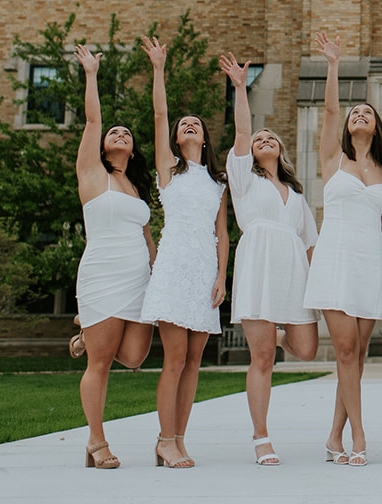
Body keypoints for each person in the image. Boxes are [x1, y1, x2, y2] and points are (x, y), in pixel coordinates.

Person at [222, 52, 320, 467]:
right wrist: (241, 88)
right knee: (261, 358)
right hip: (259, 264)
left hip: (294, 271)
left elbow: (311, 244)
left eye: (270, 139)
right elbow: (243, 131)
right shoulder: (244, 181)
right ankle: (261, 436)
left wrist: (321, 286)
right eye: (259, 139)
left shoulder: (297, 195)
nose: (263, 141)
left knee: (307, 348)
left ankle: (275, 334)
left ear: (280, 150)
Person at [302, 31, 382, 466]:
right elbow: (331, 109)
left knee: (356, 354)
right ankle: (358, 435)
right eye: (355, 112)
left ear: (376, 126)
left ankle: (334, 436)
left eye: (367, 113)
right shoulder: (331, 158)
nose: (358, 116)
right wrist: (334, 65)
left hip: (370, 262)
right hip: (335, 255)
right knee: (344, 350)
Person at [138, 35, 230, 469]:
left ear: (205, 137)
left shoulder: (218, 181)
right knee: (174, 357)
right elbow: (159, 113)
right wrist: (159, 68)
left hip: (204, 272)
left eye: (196, 123)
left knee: (195, 359)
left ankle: (180, 438)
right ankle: (164, 438)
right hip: (175, 268)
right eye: (183, 124)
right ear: (175, 139)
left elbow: (223, 233)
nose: (188, 125)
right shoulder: (168, 171)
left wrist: (221, 278)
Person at [70, 43, 156, 470]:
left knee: (137, 356)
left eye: (127, 133)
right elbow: (91, 119)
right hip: (103, 274)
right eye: (113, 133)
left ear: (133, 150)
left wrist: (158, 272)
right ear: (103, 147)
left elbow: (146, 235)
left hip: (139, 279)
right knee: (101, 363)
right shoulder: (92, 175)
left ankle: (88, 334)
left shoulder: (136, 191)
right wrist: (91, 74)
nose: (119, 134)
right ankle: (97, 441)